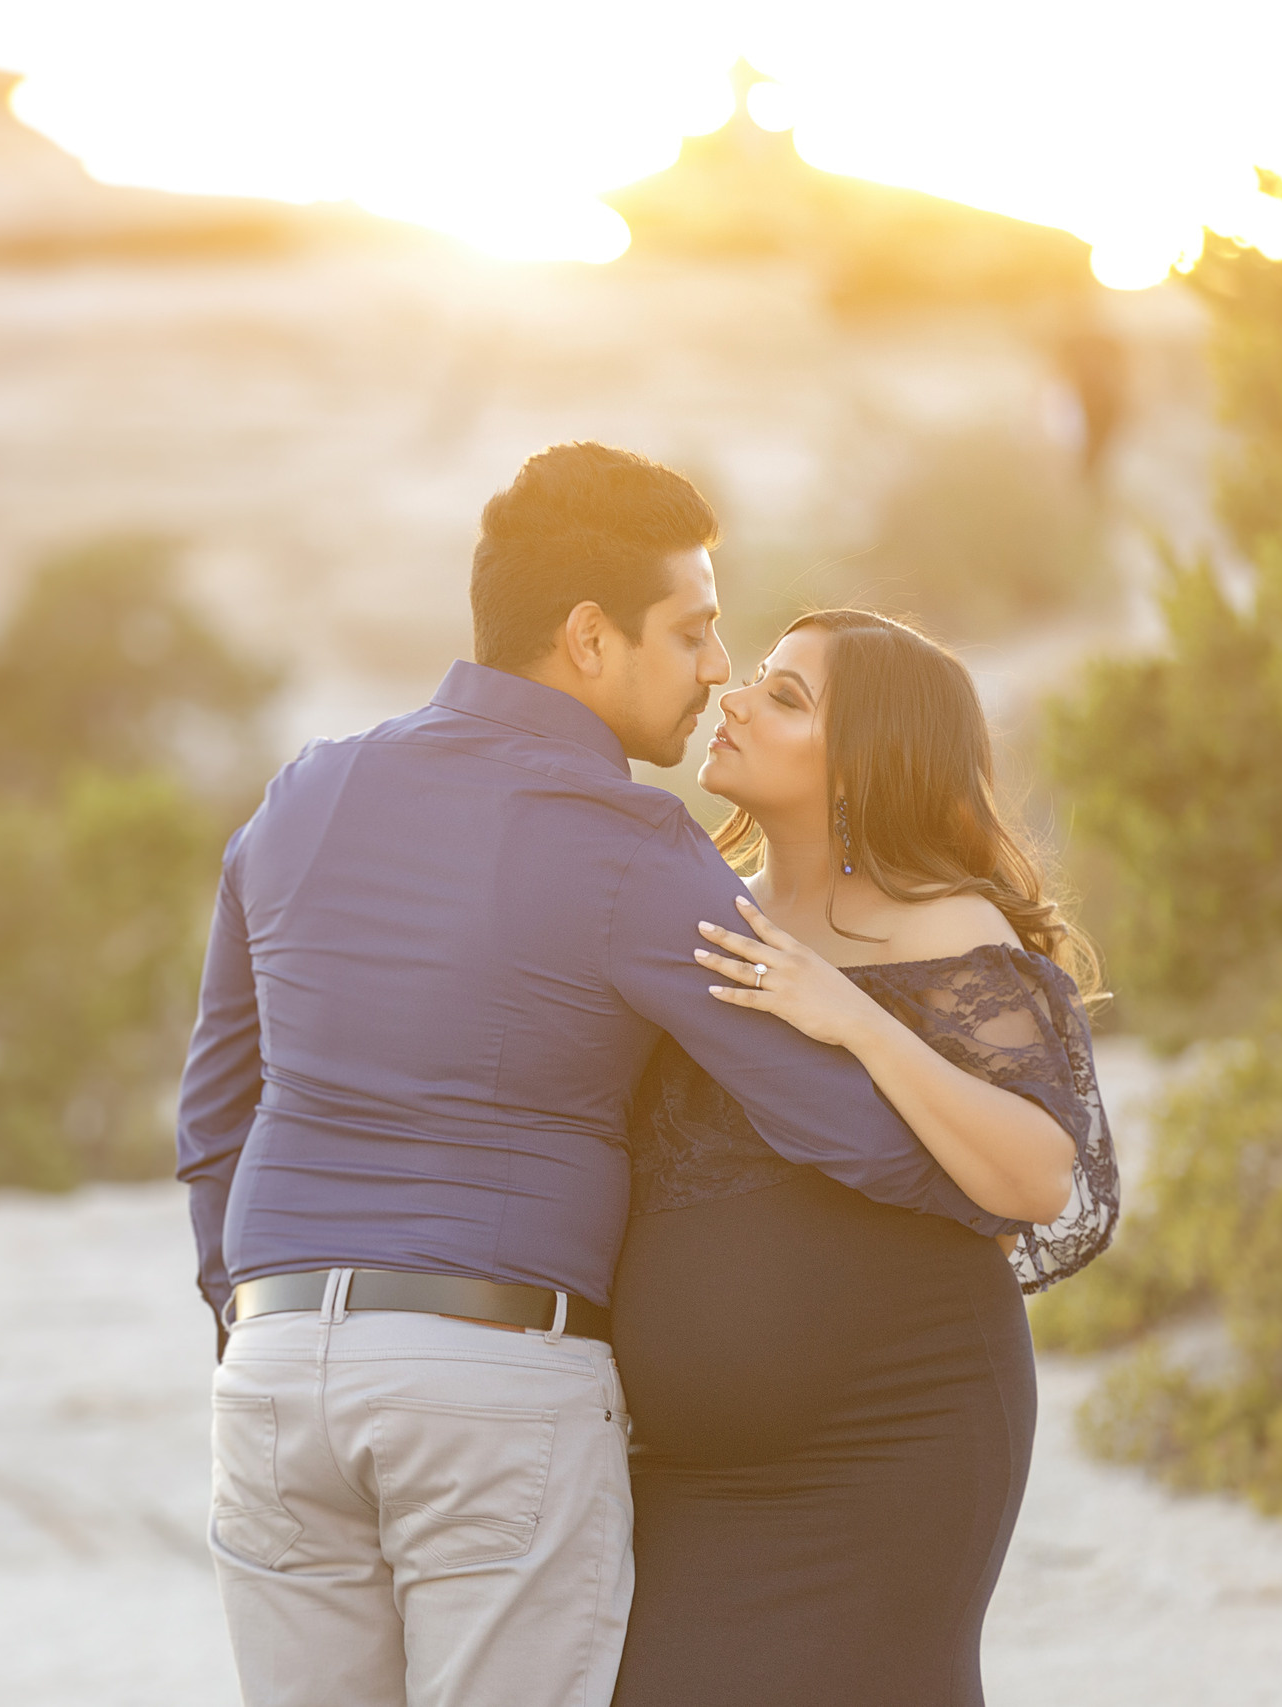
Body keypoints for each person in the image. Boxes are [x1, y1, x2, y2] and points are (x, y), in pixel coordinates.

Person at [174, 446, 1049, 1707]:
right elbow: (824, 1117)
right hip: (488, 1383)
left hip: (269, 1381)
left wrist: (249, 1315)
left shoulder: (301, 795)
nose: (713, 669)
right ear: (589, 637)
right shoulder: (628, 844)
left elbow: (215, 1116)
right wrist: (1002, 1166)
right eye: (692, 631)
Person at [610, 607, 1119, 1707]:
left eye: (787, 697)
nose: (734, 697)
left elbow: (1036, 1176)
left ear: (865, 764)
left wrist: (852, 1018)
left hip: (896, 1435)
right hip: (685, 1475)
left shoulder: (944, 927)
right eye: (756, 677)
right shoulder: (701, 912)